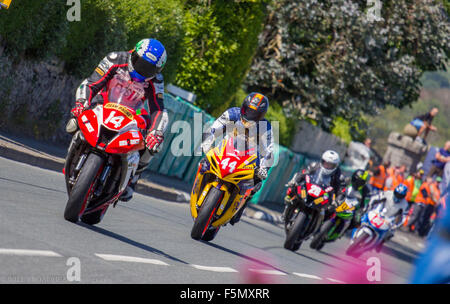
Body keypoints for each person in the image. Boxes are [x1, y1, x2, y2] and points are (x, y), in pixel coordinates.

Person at [69, 38, 169, 202]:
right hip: (104, 102)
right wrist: (81, 102)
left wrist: (156, 133)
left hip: (133, 112)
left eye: (150, 69)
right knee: (75, 121)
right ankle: (76, 147)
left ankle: (133, 179)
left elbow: (158, 108)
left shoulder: (156, 80)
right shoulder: (114, 59)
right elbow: (91, 83)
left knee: (153, 144)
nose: (143, 71)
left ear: (157, 70)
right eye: (141, 64)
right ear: (133, 54)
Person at [199, 92, 273, 225]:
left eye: (255, 113)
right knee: (204, 163)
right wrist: (207, 143)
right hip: (226, 150)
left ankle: (240, 207)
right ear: (243, 106)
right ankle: (200, 187)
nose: (250, 115)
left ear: (261, 115)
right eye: (248, 110)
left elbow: (268, 151)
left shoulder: (265, 127)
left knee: (256, 182)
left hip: (249, 159)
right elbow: (213, 129)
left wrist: (264, 168)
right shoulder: (232, 113)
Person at [282, 150, 346, 221]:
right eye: (326, 163)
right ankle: (288, 205)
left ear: (335, 166)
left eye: (330, 165)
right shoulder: (315, 165)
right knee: (295, 186)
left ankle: (320, 225)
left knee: (331, 211)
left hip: (325, 194)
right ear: (322, 161)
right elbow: (303, 174)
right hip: (311, 187)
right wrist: (295, 181)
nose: (327, 166)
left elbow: (341, 191)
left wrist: (337, 201)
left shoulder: (339, 176)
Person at [366, 184, 409, 251]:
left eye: (400, 196)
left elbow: (404, 217)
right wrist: (370, 206)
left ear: (404, 196)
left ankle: (381, 242)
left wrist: (396, 225)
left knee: (391, 233)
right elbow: (376, 197)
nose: (398, 196)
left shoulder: (405, 204)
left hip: (390, 218)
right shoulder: (388, 193)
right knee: (366, 214)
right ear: (394, 191)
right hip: (380, 211)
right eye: (397, 194)